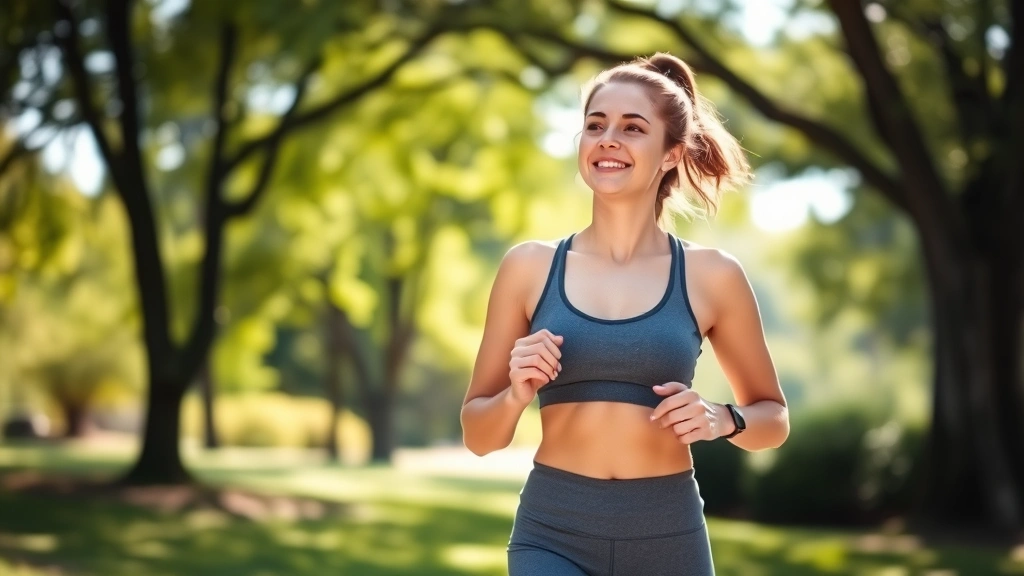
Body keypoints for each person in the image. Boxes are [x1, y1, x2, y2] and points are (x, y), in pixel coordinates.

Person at [460, 52, 790, 576]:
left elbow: (773, 418)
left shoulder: (712, 276)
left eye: (632, 127)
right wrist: (517, 393)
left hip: (668, 536)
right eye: (596, 124)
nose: (608, 138)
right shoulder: (528, 268)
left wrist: (722, 419)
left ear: (670, 155)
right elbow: (479, 436)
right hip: (553, 532)